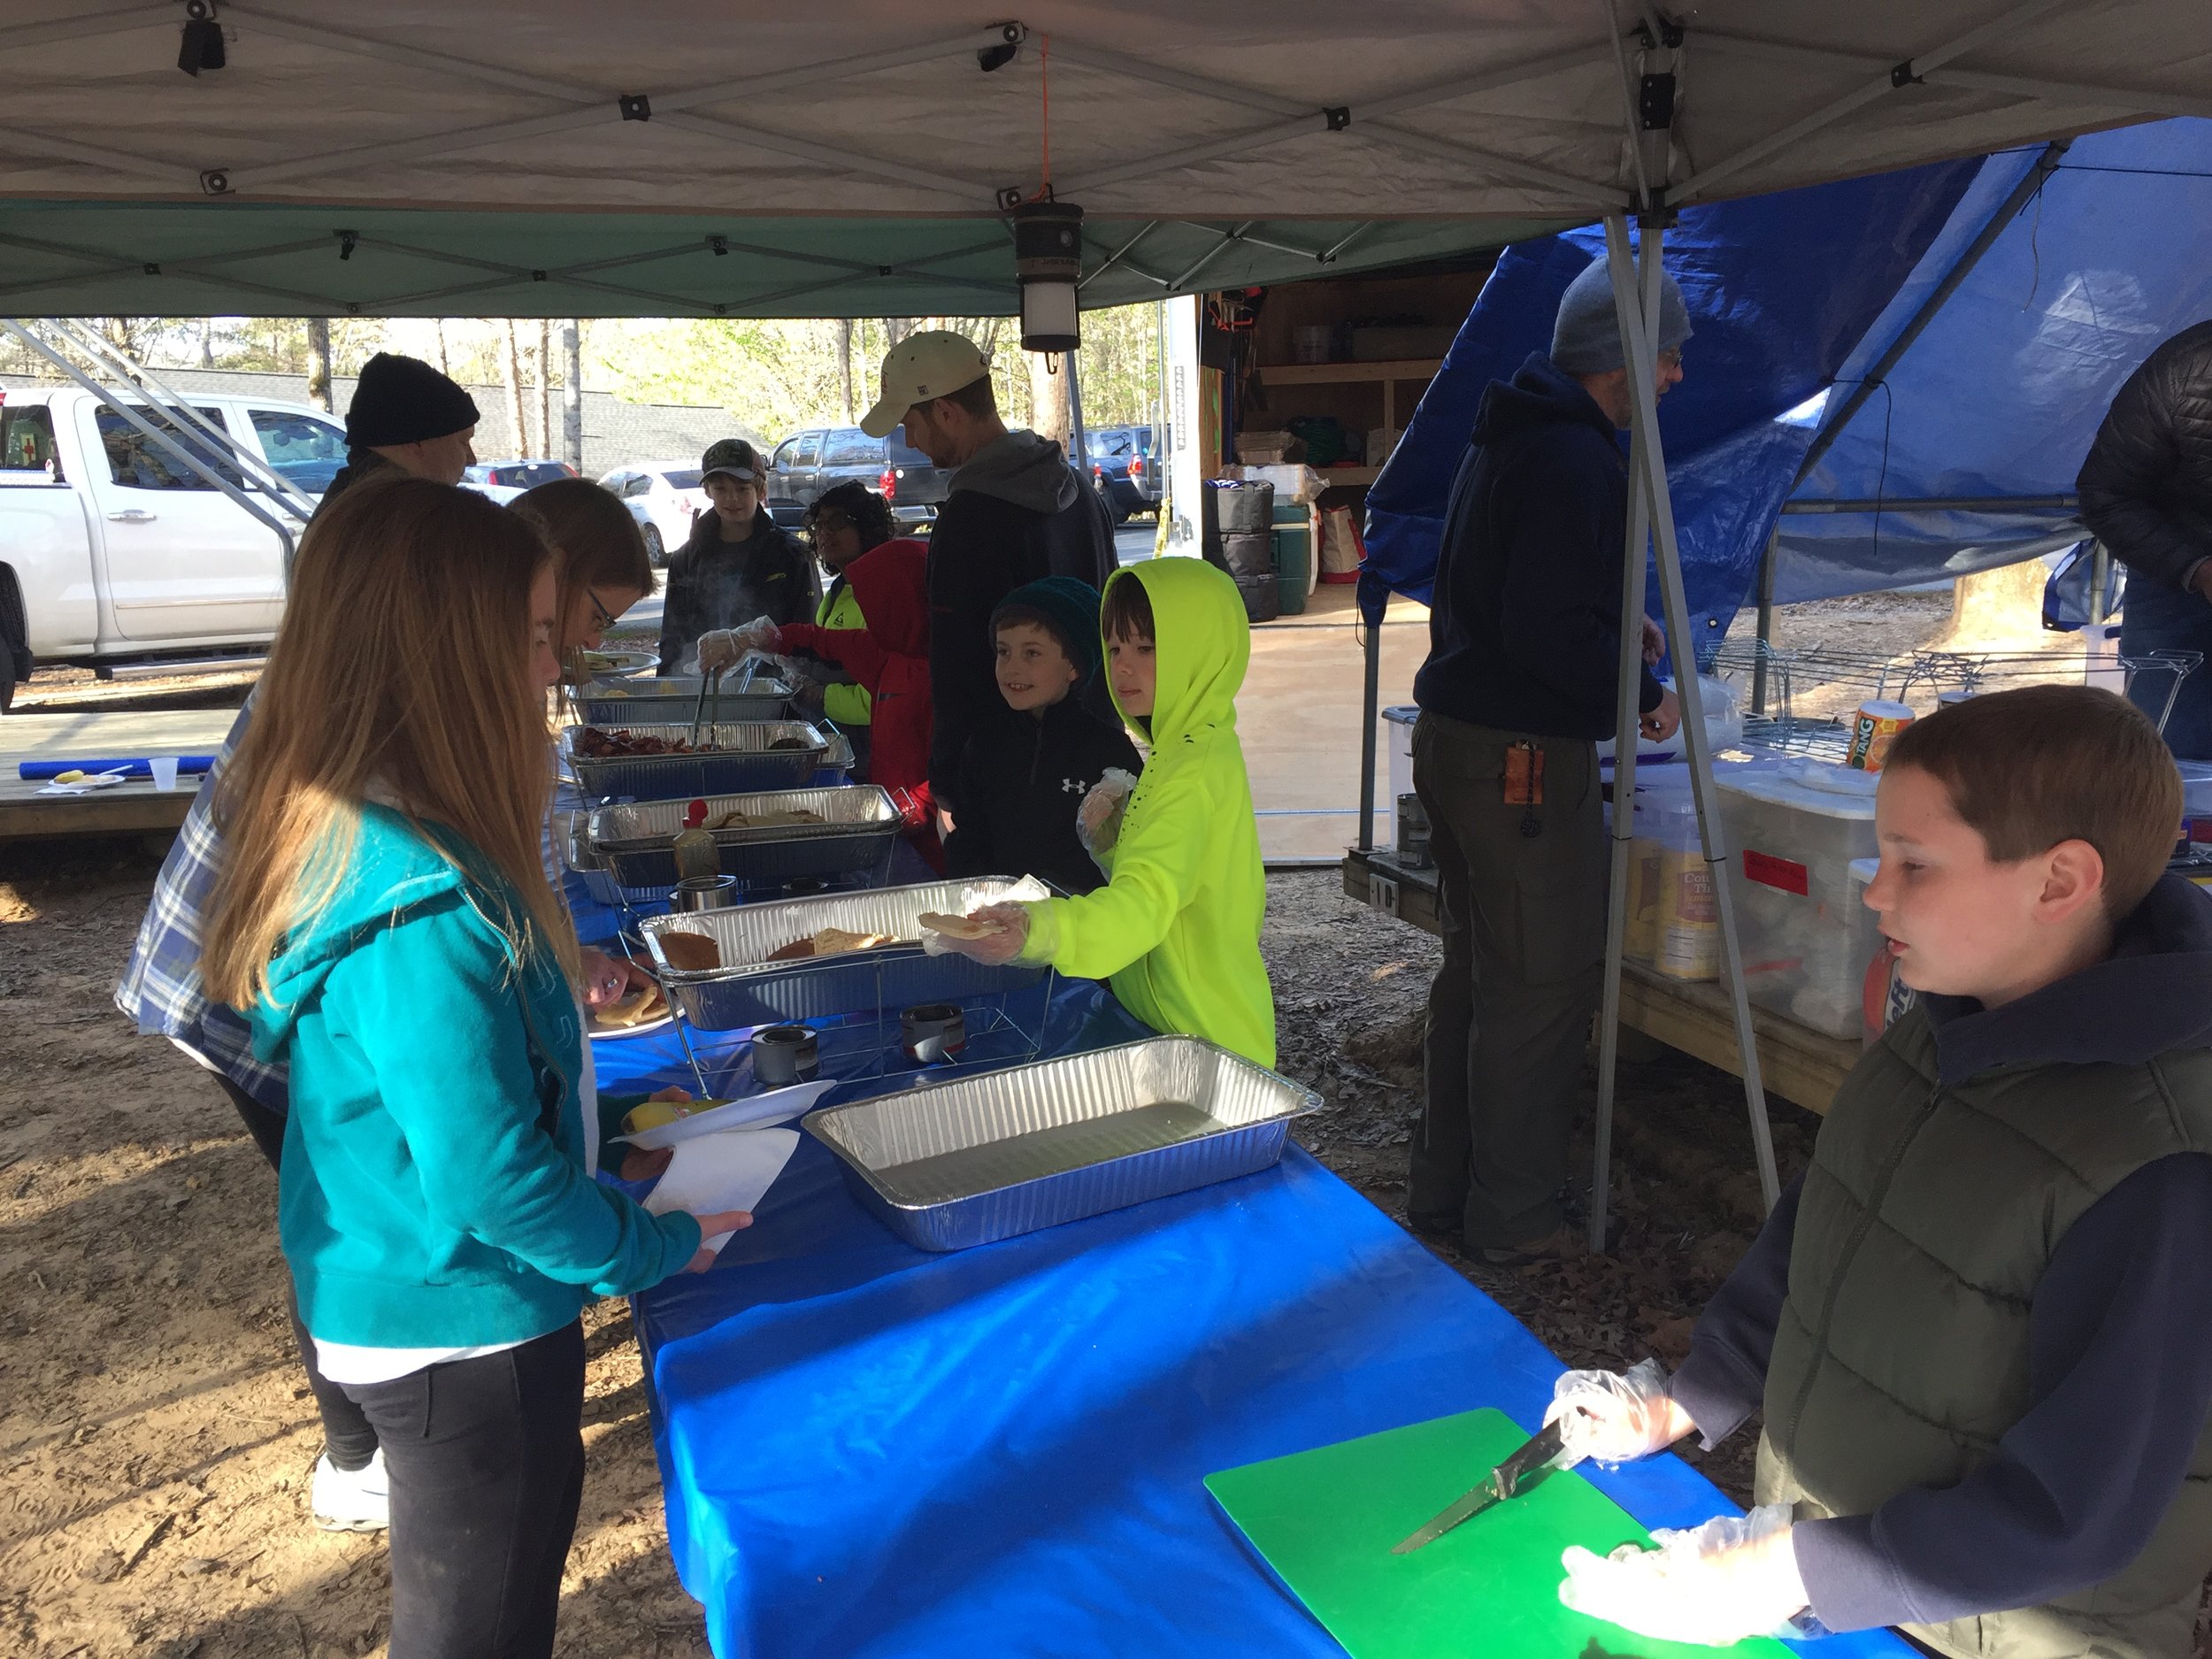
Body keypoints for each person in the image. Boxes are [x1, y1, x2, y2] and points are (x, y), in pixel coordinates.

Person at [1545, 685, 2212, 1657]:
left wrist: (1780, 1570)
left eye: (1913, 864)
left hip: (2006, 1631)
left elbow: (2078, 1511)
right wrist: (1687, 1397)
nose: (1872, 893)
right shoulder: (1949, 1024)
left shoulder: (2157, 1164)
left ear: (2059, 882)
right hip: (1849, 1577)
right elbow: (1828, 1230)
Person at [201, 475, 747, 1659]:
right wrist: (648, 1241)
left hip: (439, 1305)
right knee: (480, 1621)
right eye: (543, 635)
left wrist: (605, 1125)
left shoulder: (394, 839)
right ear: (453, 652)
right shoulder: (420, 901)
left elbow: (490, 1084)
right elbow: (489, 1173)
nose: (557, 669)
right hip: (463, 1326)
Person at [111, 349, 490, 1532]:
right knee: (337, 1192)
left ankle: (365, 1436)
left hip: (253, 942)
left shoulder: (368, 534)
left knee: (340, 1181)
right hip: (246, 962)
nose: (472, 460)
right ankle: (357, 1452)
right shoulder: (393, 547)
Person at [1406, 253, 1688, 1267]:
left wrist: (1624, 624)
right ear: (1623, 360)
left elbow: (1513, 589)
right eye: (1668, 359)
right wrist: (1639, 693)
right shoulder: (1577, 458)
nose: (1675, 380)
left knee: (1479, 972)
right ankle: (1516, 1218)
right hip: (1520, 761)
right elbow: (1544, 629)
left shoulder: (1518, 434)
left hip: (1458, 739)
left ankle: (1443, 1186)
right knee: (1538, 988)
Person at [933, 560, 1274, 1066]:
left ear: (1202, 649)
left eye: (1147, 648)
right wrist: (1116, 841)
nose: (1123, 666)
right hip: (1169, 1019)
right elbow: (1177, 874)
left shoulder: (1190, 772)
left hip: (1204, 1040)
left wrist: (1039, 930)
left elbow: (1144, 904)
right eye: (1115, 648)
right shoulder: (1184, 749)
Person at [854, 331, 1114, 824]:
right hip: (1095, 756)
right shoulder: (1080, 489)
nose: (909, 440)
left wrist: (949, 781)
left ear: (948, 412)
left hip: (1007, 776)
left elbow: (960, 662)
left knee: (1012, 900)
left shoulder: (969, 517)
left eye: (911, 423)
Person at [722, 535, 941, 864]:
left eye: (876, 604)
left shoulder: (944, 672)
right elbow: (820, 640)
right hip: (891, 817)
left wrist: (912, 808)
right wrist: (759, 637)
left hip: (930, 837)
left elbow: (951, 764)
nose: (869, 613)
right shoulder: (888, 651)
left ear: (898, 601)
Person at [944, 575, 1142, 895]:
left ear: (1074, 667)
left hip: (1082, 931)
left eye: (1032, 653)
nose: (1013, 667)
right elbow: (968, 836)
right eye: (1003, 651)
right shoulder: (984, 743)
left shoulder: (1109, 752)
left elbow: (1133, 854)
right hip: (998, 927)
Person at [2077, 319, 2212, 759]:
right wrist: (2198, 570)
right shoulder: (2185, 369)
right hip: (2178, 575)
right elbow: (2106, 495)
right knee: (2166, 752)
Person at [657, 438, 816, 673]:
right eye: (720, 489)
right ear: (708, 491)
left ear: (762, 490)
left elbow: (808, 636)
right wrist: (667, 688)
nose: (732, 499)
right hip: (700, 690)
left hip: (774, 691)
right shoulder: (685, 559)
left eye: (742, 489)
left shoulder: (793, 555)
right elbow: (672, 639)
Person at [795, 481, 897, 777]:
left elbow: (877, 700)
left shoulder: (883, 594)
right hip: (841, 741)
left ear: (867, 528)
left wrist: (820, 695)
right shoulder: (839, 590)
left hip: (874, 754)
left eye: (839, 522)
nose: (826, 532)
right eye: (820, 524)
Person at [327, 350, 480, 501]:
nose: (471, 459)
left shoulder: (347, 503)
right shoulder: (405, 516)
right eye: (464, 442)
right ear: (416, 442)